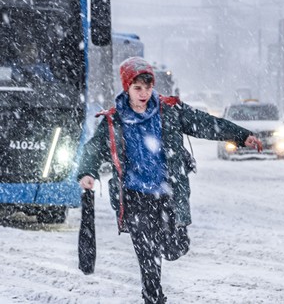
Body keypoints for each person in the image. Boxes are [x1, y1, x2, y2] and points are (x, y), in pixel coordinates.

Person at [77, 56, 263, 304]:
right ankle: (153, 297)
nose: (144, 94)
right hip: (134, 199)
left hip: (166, 196)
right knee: (148, 256)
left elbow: (206, 123)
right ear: (127, 88)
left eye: (148, 87)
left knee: (175, 247)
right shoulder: (115, 120)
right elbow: (92, 149)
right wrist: (87, 173)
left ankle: (163, 259)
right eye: (137, 88)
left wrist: (241, 136)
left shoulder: (170, 111)